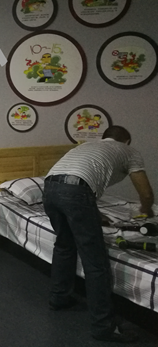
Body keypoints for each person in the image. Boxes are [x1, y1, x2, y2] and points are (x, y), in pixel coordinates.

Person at [42, 125, 154, 343]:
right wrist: (147, 209)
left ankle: (58, 299)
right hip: (77, 193)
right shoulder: (129, 151)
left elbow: (77, 185)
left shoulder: (87, 147)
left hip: (49, 188)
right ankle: (104, 327)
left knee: (64, 245)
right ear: (126, 141)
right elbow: (146, 193)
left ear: (104, 137)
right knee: (96, 261)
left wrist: (92, 212)